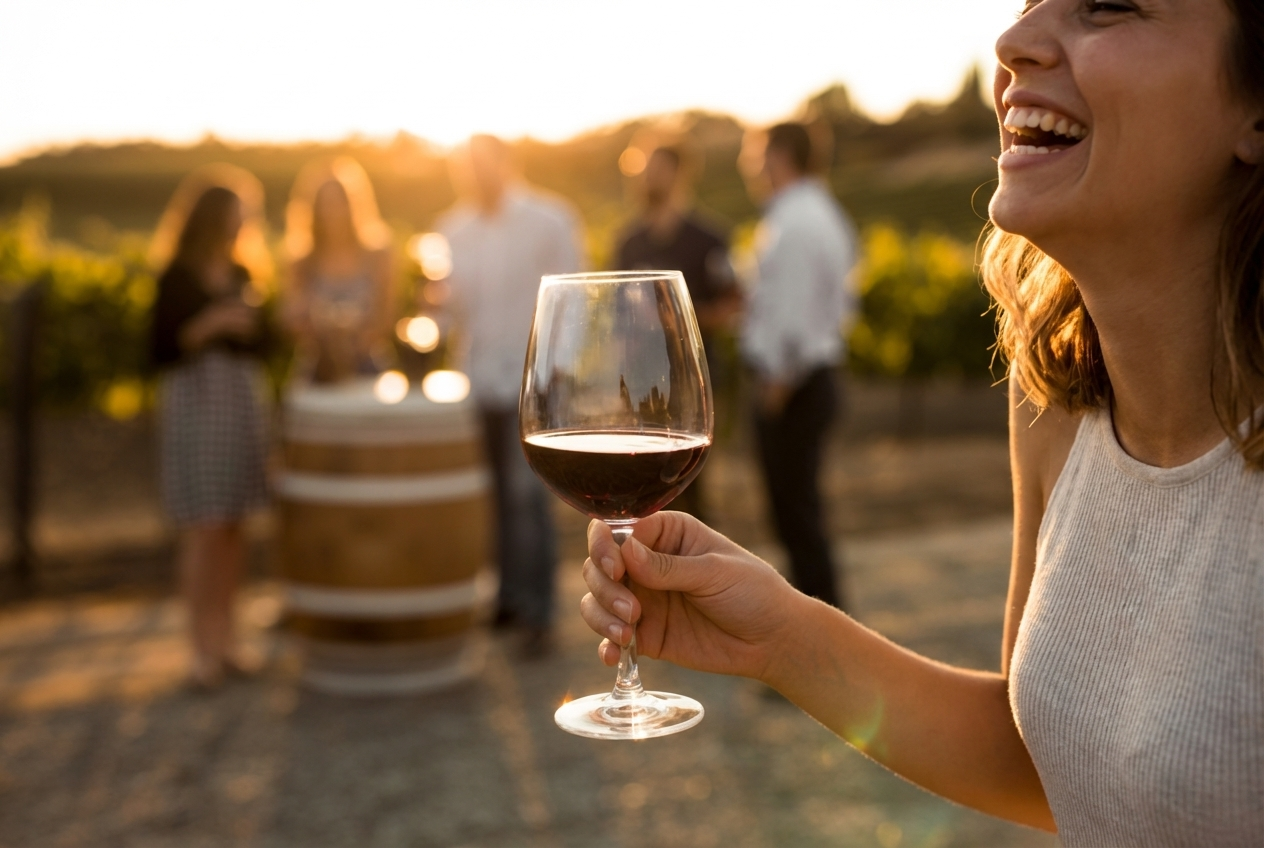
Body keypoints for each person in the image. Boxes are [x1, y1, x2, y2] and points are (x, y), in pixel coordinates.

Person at [580, 1, 1264, 844]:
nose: (1011, 44)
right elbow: (1043, 763)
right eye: (1027, 3)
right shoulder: (1056, 409)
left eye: (1107, 4)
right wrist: (780, 635)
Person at [438, 134, 584, 656]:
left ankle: (539, 613)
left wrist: (558, 375)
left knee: (527, 498)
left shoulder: (549, 220)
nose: (475, 175)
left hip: (536, 381)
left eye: (483, 164)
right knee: (494, 495)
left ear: (506, 163)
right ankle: (506, 596)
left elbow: (574, 301)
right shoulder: (453, 230)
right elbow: (445, 311)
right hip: (478, 380)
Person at [148, 166, 274, 690]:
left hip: (241, 402)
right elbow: (157, 350)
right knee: (204, 526)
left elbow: (266, 349)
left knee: (233, 524)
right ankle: (200, 650)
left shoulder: (244, 276)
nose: (240, 224)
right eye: (234, 214)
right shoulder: (177, 276)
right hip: (197, 403)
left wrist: (249, 326)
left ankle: (227, 641)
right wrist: (210, 326)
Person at [739, 121, 857, 610]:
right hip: (807, 381)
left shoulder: (795, 222)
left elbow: (794, 318)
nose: (751, 164)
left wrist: (776, 384)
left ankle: (822, 634)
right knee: (800, 514)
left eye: (757, 153)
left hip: (790, 387)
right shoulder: (819, 213)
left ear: (780, 155)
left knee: (796, 518)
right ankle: (824, 630)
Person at [613, 143, 741, 523]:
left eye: (655, 168)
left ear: (679, 173)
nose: (647, 177)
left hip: (690, 381)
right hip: (639, 382)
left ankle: (696, 574)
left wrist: (680, 316)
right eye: (642, 169)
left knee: (688, 486)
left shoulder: (709, 239)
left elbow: (734, 303)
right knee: (643, 490)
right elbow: (616, 313)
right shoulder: (629, 242)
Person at [282, 157, 395, 383]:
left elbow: (388, 316)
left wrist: (354, 347)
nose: (332, 212)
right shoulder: (302, 262)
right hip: (318, 370)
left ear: (353, 205)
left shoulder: (377, 256)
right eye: (325, 204)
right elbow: (290, 320)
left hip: (367, 367)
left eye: (339, 203)